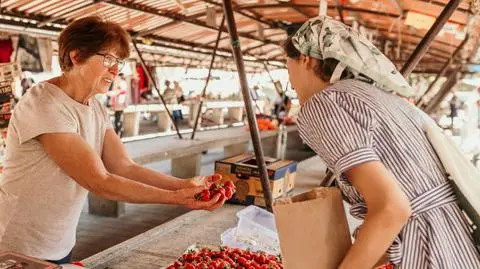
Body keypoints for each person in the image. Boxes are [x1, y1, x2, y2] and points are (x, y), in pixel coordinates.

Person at [0, 16, 225, 264]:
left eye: (119, 61)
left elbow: (124, 167)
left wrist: (183, 185)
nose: (116, 70)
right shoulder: (44, 103)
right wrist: (175, 199)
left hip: (58, 241)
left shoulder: (95, 108)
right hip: (17, 243)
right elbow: (99, 181)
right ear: (76, 56)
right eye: (108, 59)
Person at [284, 16, 480, 269]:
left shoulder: (325, 102)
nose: (289, 76)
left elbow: (392, 208)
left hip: (429, 251)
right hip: (456, 246)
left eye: (287, 62)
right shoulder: (378, 97)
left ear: (304, 58)